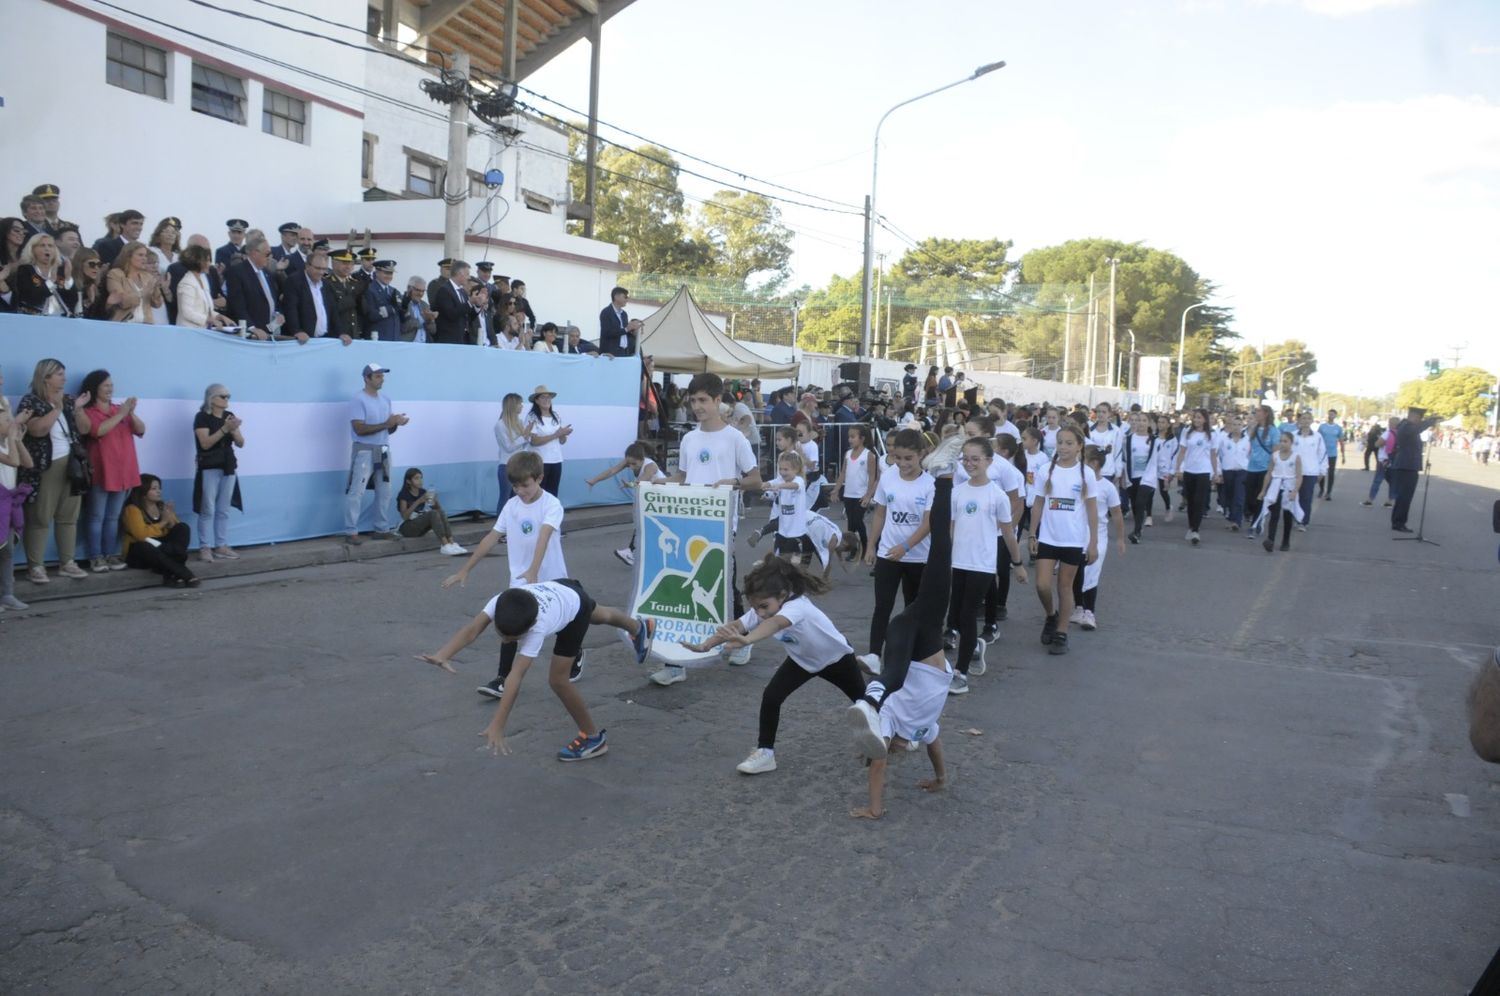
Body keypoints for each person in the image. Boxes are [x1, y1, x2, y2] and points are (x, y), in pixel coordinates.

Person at [844, 435, 962, 818]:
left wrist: (874, 808)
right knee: (943, 549)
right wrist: (941, 779)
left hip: (909, 638)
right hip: (925, 635)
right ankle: (944, 475)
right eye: (888, 745)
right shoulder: (922, 729)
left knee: (892, 673)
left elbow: (879, 766)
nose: (890, 748)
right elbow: (935, 749)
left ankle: (872, 698)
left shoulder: (900, 724)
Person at [418, 578, 653, 761]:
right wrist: (442, 655)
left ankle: (592, 738)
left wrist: (498, 725)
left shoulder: (537, 628)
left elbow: (515, 677)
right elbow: (472, 630)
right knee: (603, 615)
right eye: (503, 635)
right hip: (563, 588)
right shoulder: (501, 600)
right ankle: (639, 627)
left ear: (529, 629)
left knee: (558, 681)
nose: (508, 640)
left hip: (572, 609)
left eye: (514, 638)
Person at [683, 557, 867, 775]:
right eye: (755, 607)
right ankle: (765, 753)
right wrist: (706, 645)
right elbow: (736, 626)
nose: (760, 613)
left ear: (782, 595)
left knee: (866, 704)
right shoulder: (764, 608)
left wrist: (748, 640)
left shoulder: (797, 606)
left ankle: (900, 734)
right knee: (772, 696)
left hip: (837, 659)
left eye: (763, 606)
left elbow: (775, 623)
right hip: (803, 661)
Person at [656, 371, 764, 685]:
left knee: (724, 587)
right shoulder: (689, 438)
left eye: (703, 400)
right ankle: (676, 661)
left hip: (720, 524)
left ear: (718, 401)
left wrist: (735, 482)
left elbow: (755, 478)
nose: (697, 406)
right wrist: (653, 484)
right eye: (693, 401)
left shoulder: (735, 438)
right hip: (688, 524)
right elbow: (681, 478)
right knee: (684, 590)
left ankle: (744, 636)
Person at [445, 451, 574, 696]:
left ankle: (576, 652)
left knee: (562, 626)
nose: (520, 491)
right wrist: (465, 569)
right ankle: (502, 679)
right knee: (511, 624)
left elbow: (544, 536)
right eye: (515, 486)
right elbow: (492, 537)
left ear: (539, 478)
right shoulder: (511, 506)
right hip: (521, 580)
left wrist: (534, 570)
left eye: (524, 485)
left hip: (553, 578)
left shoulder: (551, 505)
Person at [945, 435, 1026, 694]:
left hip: (982, 565)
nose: (969, 463)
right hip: (958, 563)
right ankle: (975, 648)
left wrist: (1018, 563)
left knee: (968, 614)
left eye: (975, 459)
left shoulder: (998, 496)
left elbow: (1008, 533)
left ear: (989, 461)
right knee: (955, 614)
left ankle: (961, 673)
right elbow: (952, 529)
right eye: (965, 459)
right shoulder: (956, 492)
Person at [860, 428, 935, 669]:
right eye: (898, 458)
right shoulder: (888, 477)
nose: (902, 464)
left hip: (918, 556)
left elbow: (928, 523)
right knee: (882, 605)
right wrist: (871, 546)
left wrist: (906, 546)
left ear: (921, 455)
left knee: (913, 607)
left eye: (908, 459)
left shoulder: (930, 484)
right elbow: (880, 513)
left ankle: (911, 655)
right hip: (888, 555)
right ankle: (874, 655)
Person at [17, 359, 89, 583]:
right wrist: (56, 408)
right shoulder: (31, 401)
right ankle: (35, 566)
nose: (64, 379)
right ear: (45, 377)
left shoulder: (68, 400)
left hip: (72, 465)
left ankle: (67, 562)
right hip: (44, 467)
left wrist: (77, 409)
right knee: (39, 517)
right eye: (59, 374)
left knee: (69, 517)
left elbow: (86, 429)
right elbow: (37, 430)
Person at [1028, 425, 1099, 656]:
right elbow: (1038, 503)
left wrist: (1093, 543)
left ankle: (1061, 632)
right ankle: (1051, 615)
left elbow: (1091, 510)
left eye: (1069, 443)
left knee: (1065, 587)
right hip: (1048, 537)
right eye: (1060, 442)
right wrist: (1032, 533)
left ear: (1079, 446)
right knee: (1041, 585)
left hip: (1073, 540)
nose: (1064, 447)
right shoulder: (1045, 470)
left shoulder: (1085, 473)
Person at [77, 369, 144, 572]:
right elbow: (97, 431)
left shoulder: (118, 409)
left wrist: (130, 413)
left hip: (124, 472)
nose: (110, 388)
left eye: (111, 385)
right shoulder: (89, 411)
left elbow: (141, 430)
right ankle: (95, 557)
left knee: (114, 517)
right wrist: (122, 414)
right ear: (94, 387)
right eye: (106, 385)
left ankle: (110, 554)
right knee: (96, 516)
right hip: (102, 471)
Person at [344, 363, 408, 544]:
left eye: (382, 375)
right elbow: (359, 428)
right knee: (357, 491)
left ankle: (381, 528)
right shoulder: (358, 399)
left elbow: (388, 430)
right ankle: (351, 531)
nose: (382, 379)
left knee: (384, 491)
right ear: (367, 378)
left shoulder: (385, 399)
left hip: (383, 449)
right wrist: (387, 424)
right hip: (364, 450)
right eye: (378, 376)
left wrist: (396, 422)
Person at [585, 441, 665, 566]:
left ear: (642, 459)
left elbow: (642, 480)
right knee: (645, 526)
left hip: (662, 498)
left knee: (647, 526)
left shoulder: (650, 466)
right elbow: (612, 471)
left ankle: (632, 552)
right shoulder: (630, 461)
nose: (631, 467)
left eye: (634, 464)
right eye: (629, 464)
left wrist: (631, 484)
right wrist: (594, 481)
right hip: (649, 498)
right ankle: (635, 553)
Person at [1072, 445, 1125, 631]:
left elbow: (1116, 513)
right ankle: (1078, 607)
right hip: (1076, 533)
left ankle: (1089, 612)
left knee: (1091, 571)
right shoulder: (1077, 481)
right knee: (1076, 572)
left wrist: (1120, 538)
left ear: (1094, 464)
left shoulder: (1107, 487)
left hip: (1098, 535)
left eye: (1082, 459)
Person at [192, 383, 244, 562]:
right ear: (211, 399)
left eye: (228, 396)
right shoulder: (202, 417)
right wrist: (225, 429)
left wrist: (235, 430)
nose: (227, 399)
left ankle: (221, 545)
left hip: (228, 465)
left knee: (223, 509)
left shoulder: (229, 416)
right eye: (223, 396)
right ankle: (205, 547)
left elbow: (241, 442)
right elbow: (205, 443)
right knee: (207, 508)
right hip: (209, 466)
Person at [120, 474, 197, 586]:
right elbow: (141, 535)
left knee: (183, 528)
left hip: (162, 549)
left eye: (159, 488)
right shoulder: (132, 509)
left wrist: (170, 519)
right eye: (154, 489)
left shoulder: (161, 506)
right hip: (140, 552)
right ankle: (185, 574)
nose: (159, 491)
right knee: (146, 546)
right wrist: (163, 523)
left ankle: (171, 575)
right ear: (143, 491)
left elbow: (175, 528)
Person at [0, 403, 35, 612]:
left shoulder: (8, 443)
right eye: (5, 421)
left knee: (8, 551)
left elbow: (27, 463)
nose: (11, 423)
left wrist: (17, 441)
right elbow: (13, 462)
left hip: (9, 505)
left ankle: (7, 594)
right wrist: (13, 438)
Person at [1173, 408, 1220, 545]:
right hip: (1189, 470)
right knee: (1191, 501)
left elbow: (1213, 455)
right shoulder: (1187, 432)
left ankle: (1195, 530)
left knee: (1199, 500)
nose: (1197, 420)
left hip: (1204, 471)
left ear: (1205, 419)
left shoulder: (1212, 435)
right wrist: (1178, 468)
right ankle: (1191, 525)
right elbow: (1182, 451)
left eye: (1200, 417)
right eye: (1195, 417)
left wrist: (1215, 472)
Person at [831, 423, 878, 558]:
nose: (850, 439)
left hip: (861, 495)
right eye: (849, 437)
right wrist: (836, 489)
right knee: (851, 524)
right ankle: (853, 549)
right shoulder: (848, 454)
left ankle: (865, 547)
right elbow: (843, 473)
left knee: (858, 521)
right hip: (848, 494)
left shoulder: (869, 455)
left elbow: (872, 477)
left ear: (862, 438)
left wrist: (868, 495)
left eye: (853, 437)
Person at [282, 252, 351, 345]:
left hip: (323, 339)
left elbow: (333, 311)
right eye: (318, 268)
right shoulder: (294, 281)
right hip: (301, 341)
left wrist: (341, 333)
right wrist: (297, 331)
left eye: (324, 269)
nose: (321, 272)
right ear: (307, 266)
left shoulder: (326, 284)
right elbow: (290, 309)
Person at [396, 468, 466, 556]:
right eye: (416, 478)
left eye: (421, 478)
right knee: (432, 513)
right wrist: (418, 501)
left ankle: (452, 543)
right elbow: (404, 516)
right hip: (407, 528)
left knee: (440, 512)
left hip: (418, 525)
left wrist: (435, 501)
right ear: (408, 481)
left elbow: (438, 510)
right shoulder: (403, 494)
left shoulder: (423, 492)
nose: (420, 481)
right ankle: (445, 545)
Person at [223, 235, 281, 337]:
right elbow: (238, 305)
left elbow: (272, 299)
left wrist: (277, 315)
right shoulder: (237, 272)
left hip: (268, 332)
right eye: (267, 254)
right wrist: (252, 328)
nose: (270, 258)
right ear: (255, 253)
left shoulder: (267, 273)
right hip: (250, 334)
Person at [1255, 431, 1303, 553]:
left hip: (1289, 486)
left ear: (1291, 443)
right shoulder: (1275, 455)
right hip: (1276, 486)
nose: (1282, 444)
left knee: (1287, 515)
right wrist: (1263, 490)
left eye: (1285, 441)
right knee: (1274, 513)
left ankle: (1285, 541)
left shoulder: (1296, 456)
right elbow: (1269, 473)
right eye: (1281, 441)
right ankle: (1270, 540)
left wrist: (1295, 491)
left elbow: (1299, 476)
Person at [12, 233, 78, 316]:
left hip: (61, 320)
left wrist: (68, 279)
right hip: (33, 319)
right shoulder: (25, 270)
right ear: (32, 249)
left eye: (50, 246)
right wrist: (51, 281)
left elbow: (73, 300)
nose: (47, 249)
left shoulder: (60, 271)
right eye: (42, 245)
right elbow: (31, 297)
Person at [174, 245, 234, 329]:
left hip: (202, 331)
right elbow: (187, 312)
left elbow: (205, 310)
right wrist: (210, 320)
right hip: (188, 331)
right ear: (199, 262)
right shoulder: (187, 283)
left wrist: (220, 317)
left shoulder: (203, 279)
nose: (210, 264)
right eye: (208, 260)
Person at [1388, 406, 1428, 532]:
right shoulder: (1406, 426)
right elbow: (1417, 429)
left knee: (1405, 497)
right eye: (1418, 418)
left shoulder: (1408, 427)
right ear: (1412, 416)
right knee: (1404, 497)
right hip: (1406, 466)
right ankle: (1399, 523)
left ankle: (1398, 521)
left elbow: (1417, 429)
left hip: (1409, 466)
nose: (1419, 421)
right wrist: (1430, 421)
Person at [1121, 411, 1158, 543]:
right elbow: (1124, 459)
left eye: (1143, 420)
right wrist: (1123, 478)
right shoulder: (1128, 439)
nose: (1140, 423)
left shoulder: (1154, 440)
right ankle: (1139, 527)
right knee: (1135, 505)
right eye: (1137, 420)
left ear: (1149, 423)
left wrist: (1166, 475)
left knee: (1140, 502)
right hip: (1132, 476)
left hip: (1148, 476)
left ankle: (1136, 532)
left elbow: (1158, 459)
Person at [492, 392, 529, 515]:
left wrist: (528, 436)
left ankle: (514, 527)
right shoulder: (500, 425)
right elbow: (509, 447)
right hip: (507, 466)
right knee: (505, 498)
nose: (522, 406)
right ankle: (500, 530)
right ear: (513, 405)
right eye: (520, 403)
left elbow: (523, 445)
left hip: (519, 466)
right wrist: (524, 436)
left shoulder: (519, 421)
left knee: (518, 498)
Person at [1291, 411, 1327, 529]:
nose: (1305, 421)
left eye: (1308, 419)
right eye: (1303, 418)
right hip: (1294, 472)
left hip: (1310, 472)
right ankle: (1294, 518)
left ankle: (1303, 521)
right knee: (1293, 496)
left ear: (1312, 421)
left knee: (1306, 497)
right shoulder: (1293, 435)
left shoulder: (1317, 437)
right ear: (1299, 421)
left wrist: (1322, 471)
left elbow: (1322, 454)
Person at [1217, 413, 1250, 532]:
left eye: (1239, 424)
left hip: (1242, 471)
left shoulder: (1247, 439)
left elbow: (1250, 455)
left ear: (1242, 426)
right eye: (1234, 424)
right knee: (1229, 495)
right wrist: (1219, 471)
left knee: (1239, 496)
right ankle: (1231, 517)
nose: (1236, 427)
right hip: (1228, 470)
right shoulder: (1224, 439)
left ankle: (1237, 521)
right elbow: (1217, 455)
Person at [145, 217, 180, 326]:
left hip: (175, 296)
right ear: (159, 234)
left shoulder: (179, 257)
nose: (170, 235)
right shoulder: (151, 251)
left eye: (174, 232)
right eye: (167, 232)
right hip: (157, 293)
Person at [430, 259, 474, 344]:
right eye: (467, 274)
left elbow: (468, 315)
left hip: (461, 339)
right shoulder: (444, 290)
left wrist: (477, 304)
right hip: (448, 340)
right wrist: (470, 303)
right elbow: (452, 314)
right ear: (460, 273)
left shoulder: (462, 292)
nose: (469, 277)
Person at [1363, 417, 1398, 507]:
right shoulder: (1401, 434)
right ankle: (1390, 501)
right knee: (1392, 481)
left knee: (1377, 480)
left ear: (1391, 423)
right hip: (1394, 460)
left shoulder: (1388, 433)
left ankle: (1370, 500)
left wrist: (1380, 441)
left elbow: (1377, 444)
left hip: (1384, 460)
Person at [598, 285, 642, 357]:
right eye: (625, 297)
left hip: (623, 352)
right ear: (616, 296)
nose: (627, 300)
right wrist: (627, 329)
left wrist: (633, 330)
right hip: (610, 354)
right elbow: (607, 332)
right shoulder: (606, 312)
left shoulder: (624, 314)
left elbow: (624, 333)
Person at [1317, 409, 1344, 500]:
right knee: (1322, 472)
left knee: (1331, 473)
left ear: (1335, 416)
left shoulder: (1338, 428)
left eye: (1332, 414)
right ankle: (1321, 489)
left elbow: (1341, 441)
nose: (1330, 416)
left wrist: (1343, 455)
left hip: (1332, 454)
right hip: (1322, 454)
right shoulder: (1322, 427)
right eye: (1329, 414)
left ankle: (1329, 493)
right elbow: (1317, 439)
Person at [399, 276, 434, 343]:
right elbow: (404, 327)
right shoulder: (401, 303)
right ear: (409, 288)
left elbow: (433, 330)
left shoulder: (425, 305)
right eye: (417, 290)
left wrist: (430, 320)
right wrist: (423, 319)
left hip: (425, 346)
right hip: (408, 346)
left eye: (423, 291)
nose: (420, 294)